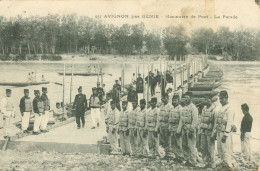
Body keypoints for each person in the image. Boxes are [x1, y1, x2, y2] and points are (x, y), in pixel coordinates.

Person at [215, 90, 234, 169]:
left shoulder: (229, 109)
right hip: (219, 132)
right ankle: (223, 163)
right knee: (220, 149)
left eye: (222, 99)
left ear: (226, 98)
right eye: (219, 98)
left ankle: (228, 165)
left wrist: (225, 134)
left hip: (225, 133)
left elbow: (229, 123)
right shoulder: (221, 108)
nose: (220, 100)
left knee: (226, 150)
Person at [180, 92, 200, 166]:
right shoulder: (184, 108)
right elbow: (181, 119)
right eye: (184, 98)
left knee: (191, 145)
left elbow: (195, 120)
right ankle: (187, 159)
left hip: (190, 128)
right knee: (184, 145)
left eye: (187, 98)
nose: (185, 99)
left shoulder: (193, 108)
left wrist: (191, 129)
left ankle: (193, 161)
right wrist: (180, 129)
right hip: (184, 128)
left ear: (191, 99)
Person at [199, 95, 216, 168]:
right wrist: (200, 130)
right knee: (204, 147)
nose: (205, 101)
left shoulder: (214, 109)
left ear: (210, 100)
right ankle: (206, 162)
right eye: (204, 99)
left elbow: (215, 123)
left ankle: (212, 163)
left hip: (210, 131)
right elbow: (201, 120)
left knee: (211, 148)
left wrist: (214, 133)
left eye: (207, 99)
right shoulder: (204, 109)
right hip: (203, 131)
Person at [168, 94, 184, 162]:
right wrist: (169, 128)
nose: (174, 102)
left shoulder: (180, 109)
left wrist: (179, 130)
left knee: (179, 143)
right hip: (172, 128)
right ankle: (176, 156)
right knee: (173, 143)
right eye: (173, 100)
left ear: (178, 101)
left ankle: (180, 156)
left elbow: (181, 120)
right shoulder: (171, 109)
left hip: (177, 128)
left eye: (175, 100)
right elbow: (169, 119)